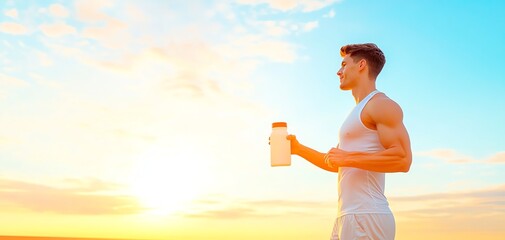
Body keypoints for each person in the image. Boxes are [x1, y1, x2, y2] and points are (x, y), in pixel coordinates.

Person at [287, 43, 412, 240]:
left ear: (361, 65)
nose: (339, 71)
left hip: (367, 215)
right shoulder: (356, 113)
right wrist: (298, 149)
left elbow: (402, 159)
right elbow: (338, 163)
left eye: (344, 65)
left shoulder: (381, 105)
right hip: (347, 215)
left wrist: (348, 157)